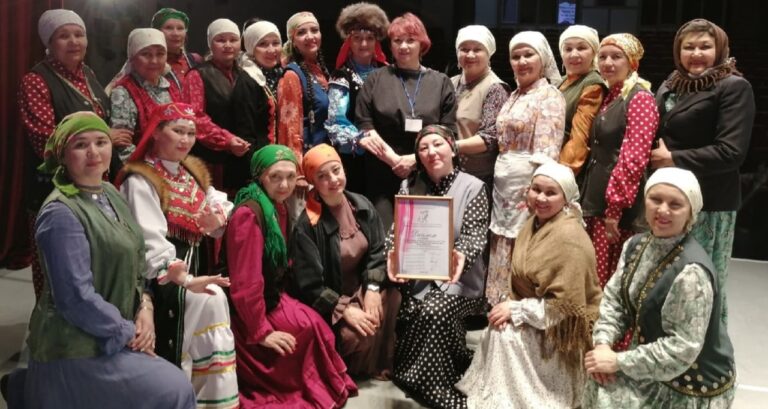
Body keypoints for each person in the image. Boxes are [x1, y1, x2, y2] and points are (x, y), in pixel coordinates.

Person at [2, 112, 196, 409]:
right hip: (73, 345)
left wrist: (145, 306)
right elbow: (75, 299)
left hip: (110, 330)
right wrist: (129, 331)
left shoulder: (109, 193)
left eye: (101, 142)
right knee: (175, 388)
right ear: (63, 156)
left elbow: (137, 259)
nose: (93, 152)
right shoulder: (60, 214)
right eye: (81, 145)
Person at [116, 102, 239, 408]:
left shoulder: (191, 171)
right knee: (210, 299)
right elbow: (148, 241)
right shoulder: (141, 179)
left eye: (191, 133)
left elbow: (219, 206)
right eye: (177, 131)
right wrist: (183, 278)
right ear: (156, 133)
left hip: (194, 272)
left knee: (214, 298)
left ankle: (209, 400)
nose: (185, 140)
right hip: (158, 280)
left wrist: (216, 221)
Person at [582, 167, 735, 408]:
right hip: (651, 363)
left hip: (687, 385)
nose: (663, 210)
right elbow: (615, 302)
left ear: (690, 213)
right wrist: (603, 345)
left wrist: (618, 362)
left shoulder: (691, 273)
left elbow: (682, 348)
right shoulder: (635, 245)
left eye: (675, 205)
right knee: (596, 381)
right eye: (656, 199)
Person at [457, 162, 602, 408]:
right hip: (538, 311)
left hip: (559, 327)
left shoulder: (569, 237)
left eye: (551, 193)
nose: (541, 198)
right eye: (536, 190)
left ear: (565, 198)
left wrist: (516, 310)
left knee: (506, 335)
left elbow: (564, 307)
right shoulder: (534, 222)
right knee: (498, 325)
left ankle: (527, 398)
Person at [225, 144, 357, 407]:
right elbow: (245, 283)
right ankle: (292, 387)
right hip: (248, 311)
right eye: (275, 177)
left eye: (290, 176)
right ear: (260, 176)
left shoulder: (277, 207)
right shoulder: (248, 215)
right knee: (303, 332)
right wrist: (261, 332)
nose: (284, 184)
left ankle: (316, 385)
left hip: (272, 295)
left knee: (318, 325)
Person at [650, 19, 755, 325]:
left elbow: (731, 152)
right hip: (667, 198)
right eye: (689, 47)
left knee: (699, 287)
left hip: (708, 204)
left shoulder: (733, 87)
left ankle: (705, 353)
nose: (696, 54)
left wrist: (673, 159)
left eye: (705, 47)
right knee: (666, 284)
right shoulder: (671, 84)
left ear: (719, 49)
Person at [19, 9, 128, 300]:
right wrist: (104, 137)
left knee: (91, 265)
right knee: (56, 269)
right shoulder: (36, 80)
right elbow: (44, 139)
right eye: (63, 36)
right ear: (49, 42)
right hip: (55, 190)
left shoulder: (88, 74)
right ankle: (51, 328)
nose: (74, 42)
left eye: (79, 34)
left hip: (94, 185)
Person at [387, 125, 489, 408]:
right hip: (417, 276)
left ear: (452, 148)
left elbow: (475, 236)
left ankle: (431, 384)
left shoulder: (473, 187)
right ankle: (416, 376)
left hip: (460, 281)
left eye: (438, 144)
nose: (431, 152)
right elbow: (396, 232)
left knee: (434, 308)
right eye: (423, 148)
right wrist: (391, 255)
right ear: (418, 156)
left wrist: (461, 256)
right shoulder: (409, 186)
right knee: (412, 305)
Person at [289, 144, 396, 379]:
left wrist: (372, 288)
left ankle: (380, 363)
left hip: (362, 288)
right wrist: (344, 310)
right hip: (333, 299)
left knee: (395, 298)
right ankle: (351, 370)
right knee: (356, 335)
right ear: (313, 183)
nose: (333, 179)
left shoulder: (362, 205)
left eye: (336, 170)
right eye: (322, 176)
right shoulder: (307, 226)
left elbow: (377, 251)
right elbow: (310, 285)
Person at [485, 31, 565, 305]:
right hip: (503, 185)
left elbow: (547, 152)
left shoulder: (548, 95)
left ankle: (516, 308)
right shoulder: (515, 94)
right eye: (515, 56)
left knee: (522, 244)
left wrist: (535, 192)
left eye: (528, 55)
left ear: (542, 59)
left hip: (526, 186)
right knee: (502, 241)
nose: (521, 61)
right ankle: (497, 305)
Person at [355, 12, 457, 228]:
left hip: (427, 170)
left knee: (422, 236)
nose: (403, 46)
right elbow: (364, 123)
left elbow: (448, 132)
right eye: (397, 40)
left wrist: (414, 160)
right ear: (390, 45)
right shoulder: (375, 79)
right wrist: (394, 160)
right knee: (384, 238)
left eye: (410, 40)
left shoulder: (441, 82)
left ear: (422, 44)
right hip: (382, 171)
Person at [579, 33, 659, 290]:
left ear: (632, 62)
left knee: (612, 279)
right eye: (602, 57)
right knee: (595, 275)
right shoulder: (612, 95)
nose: (607, 63)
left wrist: (614, 208)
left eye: (616, 57)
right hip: (598, 199)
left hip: (620, 208)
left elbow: (633, 158)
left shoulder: (639, 98)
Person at [109, 28, 248, 163]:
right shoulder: (123, 91)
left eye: (160, 54)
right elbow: (123, 147)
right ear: (132, 58)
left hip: (175, 162)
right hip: (144, 169)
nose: (154, 61)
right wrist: (152, 170)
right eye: (146, 54)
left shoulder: (169, 85)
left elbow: (190, 120)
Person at [324, 2, 389, 194]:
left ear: (376, 42)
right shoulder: (341, 76)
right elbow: (336, 121)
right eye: (357, 38)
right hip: (356, 158)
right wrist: (362, 139)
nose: (363, 44)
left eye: (369, 38)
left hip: (387, 155)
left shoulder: (386, 72)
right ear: (348, 42)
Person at [184, 18, 253, 193]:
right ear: (210, 44)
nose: (228, 45)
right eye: (221, 40)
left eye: (233, 39)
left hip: (241, 157)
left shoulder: (244, 75)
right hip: (211, 159)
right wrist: (226, 140)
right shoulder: (197, 75)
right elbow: (195, 117)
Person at [451, 25, 511, 191]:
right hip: (447, 170)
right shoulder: (449, 83)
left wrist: (448, 147)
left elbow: (489, 138)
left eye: (477, 49)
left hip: (478, 176)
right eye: (464, 49)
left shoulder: (495, 88)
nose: (470, 55)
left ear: (488, 53)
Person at [557, 25, 606, 177]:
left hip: (564, 168)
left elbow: (579, 140)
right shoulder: (561, 81)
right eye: (568, 49)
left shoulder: (592, 85)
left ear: (594, 52)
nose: (574, 54)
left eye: (581, 48)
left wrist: (558, 175)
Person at [281, 11, 331, 160]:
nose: (310, 36)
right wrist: (296, 168)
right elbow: (290, 130)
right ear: (293, 41)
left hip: (327, 156)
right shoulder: (292, 75)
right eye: (301, 32)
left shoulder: (321, 70)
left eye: (314, 30)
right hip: (309, 158)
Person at [151, 8, 203, 83]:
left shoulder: (196, 60)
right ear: (157, 32)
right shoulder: (149, 64)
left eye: (180, 28)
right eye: (168, 28)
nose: (176, 33)